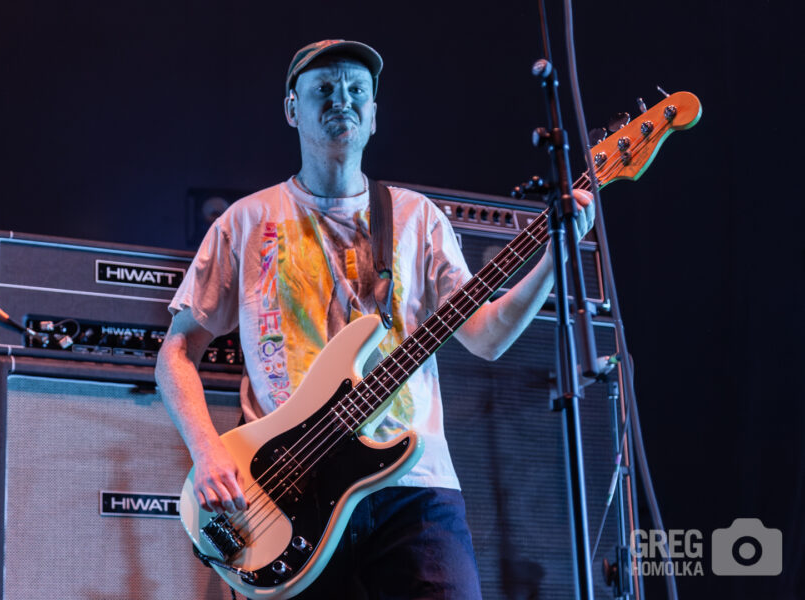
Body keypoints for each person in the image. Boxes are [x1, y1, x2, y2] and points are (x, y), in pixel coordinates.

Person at [155, 39, 594, 599]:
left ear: (374, 115)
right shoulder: (246, 222)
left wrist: (554, 260)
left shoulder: (417, 219)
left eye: (357, 89)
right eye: (324, 88)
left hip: (414, 488)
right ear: (291, 110)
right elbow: (176, 352)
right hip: (286, 491)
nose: (343, 99)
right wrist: (207, 450)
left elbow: (487, 337)